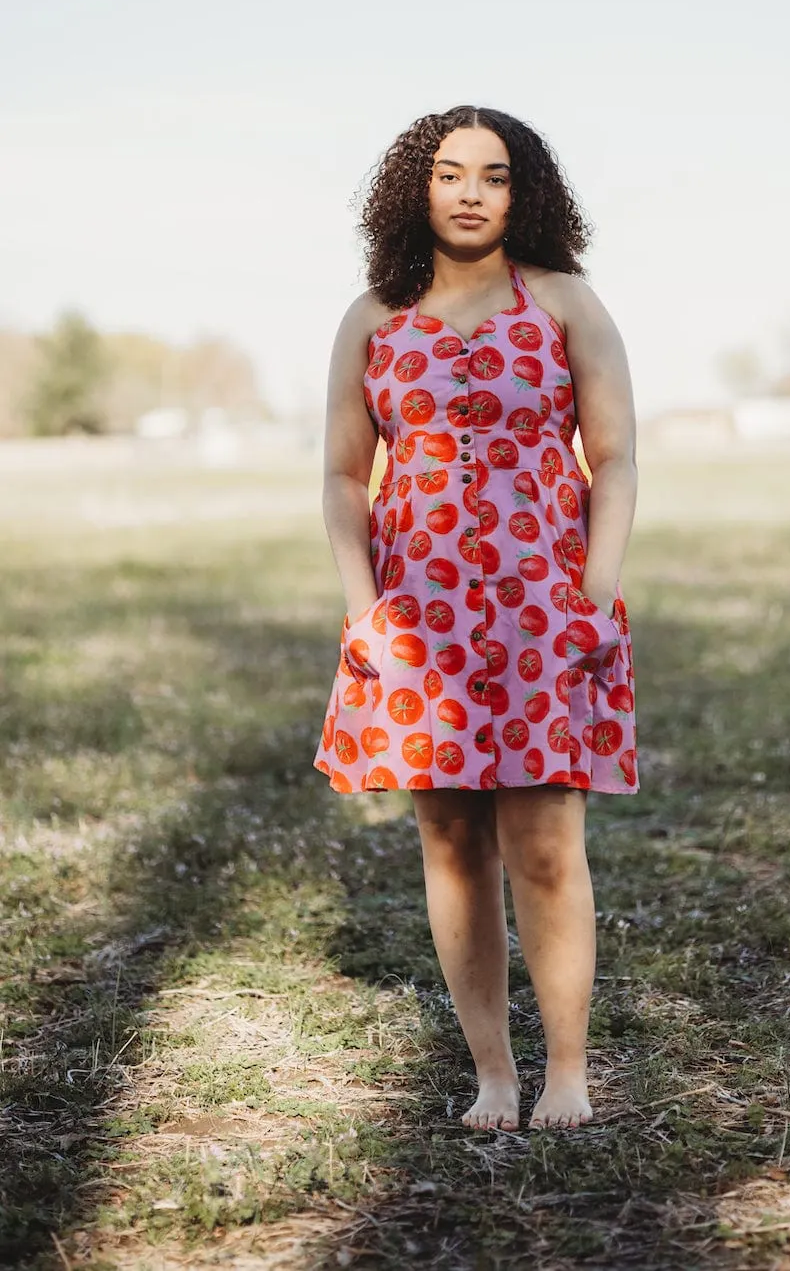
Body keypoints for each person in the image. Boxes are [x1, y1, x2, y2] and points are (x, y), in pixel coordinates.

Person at [315, 105, 639, 1131]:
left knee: (546, 844)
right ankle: (494, 1074)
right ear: (417, 186)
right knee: (451, 844)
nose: (468, 192)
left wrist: (593, 593)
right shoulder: (373, 315)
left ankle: (568, 1074)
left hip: (543, 609)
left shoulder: (564, 302)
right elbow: (338, 475)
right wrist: (365, 613)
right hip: (417, 622)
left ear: (520, 192)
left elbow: (618, 457)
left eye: (492, 176)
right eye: (450, 173)